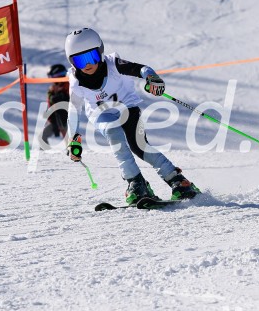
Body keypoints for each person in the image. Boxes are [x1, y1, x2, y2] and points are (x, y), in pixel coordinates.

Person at [64, 28, 200, 205]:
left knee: (140, 146)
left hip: (127, 108)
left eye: (91, 57)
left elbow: (141, 69)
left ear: (100, 52)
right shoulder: (76, 82)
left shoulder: (114, 65)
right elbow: (73, 110)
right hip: (101, 115)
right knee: (114, 134)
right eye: (79, 60)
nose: (87, 64)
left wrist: (151, 78)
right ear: (72, 62)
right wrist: (72, 139)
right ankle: (136, 183)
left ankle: (178, 181)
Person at [40, 64, 70, 147]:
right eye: (52, 78)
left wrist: (61, 96)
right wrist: (50, 116)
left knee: (69, 139)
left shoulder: (69, 85)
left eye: (54, 77)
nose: (53, 81)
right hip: (56, 119)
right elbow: (50, 104)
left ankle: (74, 154)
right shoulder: (52, 89)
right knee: (43, 136)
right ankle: (44, 157)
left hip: (67, 119)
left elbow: (71, 102)